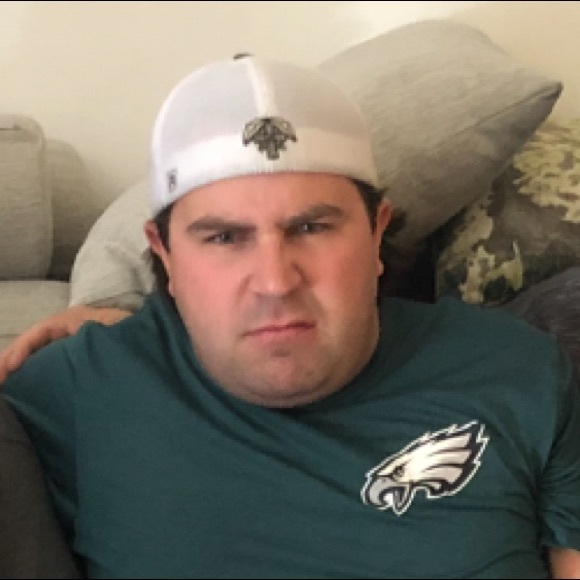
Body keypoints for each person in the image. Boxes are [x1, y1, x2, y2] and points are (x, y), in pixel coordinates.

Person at [1, 54, 579, 578]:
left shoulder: (519, 370)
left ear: (376, 232)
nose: (276, 281)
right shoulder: (76, 388)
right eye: (224, 237)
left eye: (311, 227)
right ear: (165, 255)